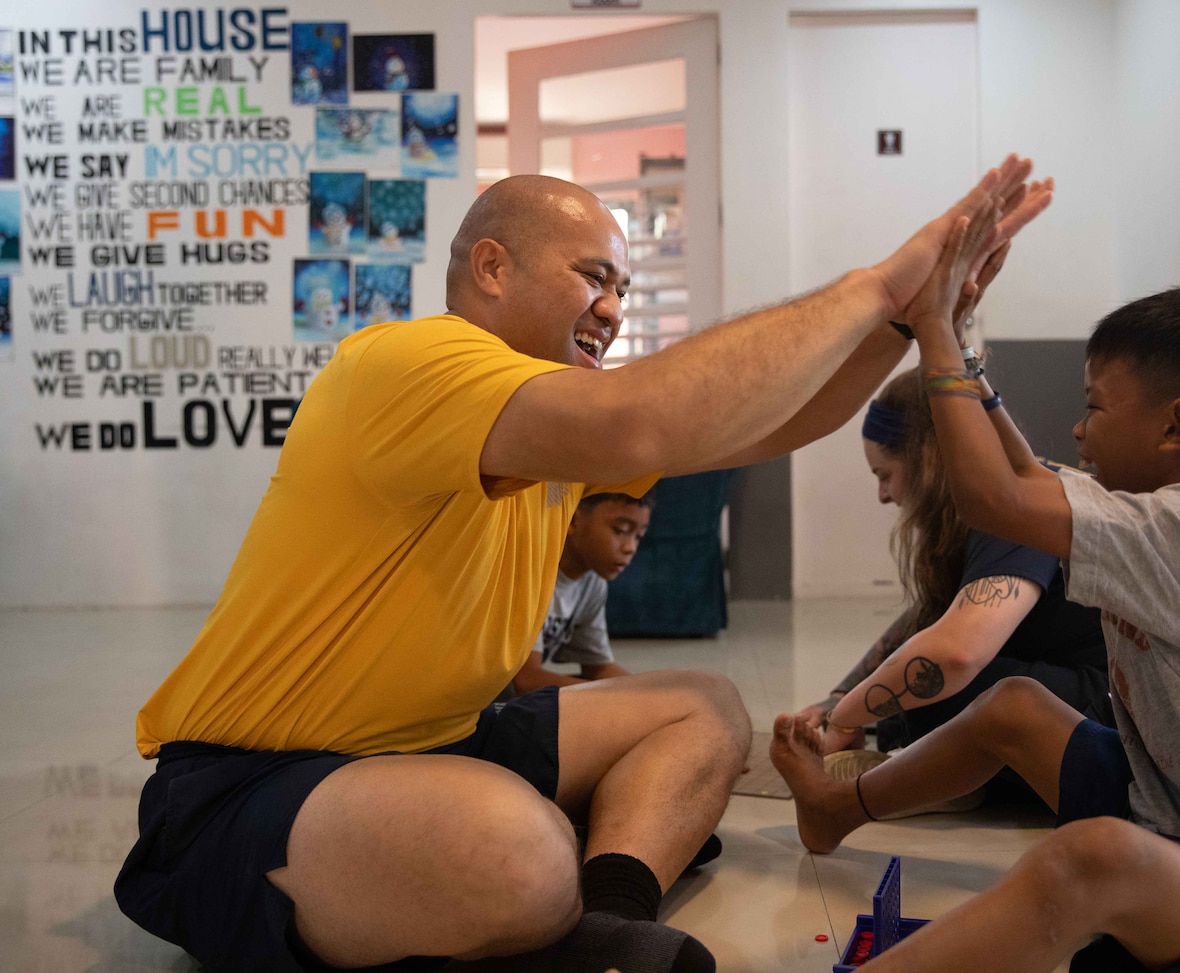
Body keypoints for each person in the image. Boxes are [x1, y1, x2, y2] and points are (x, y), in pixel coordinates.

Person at [115, 160, 1053, 973]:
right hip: (248, 783)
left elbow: (775, 424)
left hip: (439, 740)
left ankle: (602, 926)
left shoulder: (550, 422)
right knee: (513, 855)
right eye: (593, 277)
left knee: (705, 708)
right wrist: (877, 285)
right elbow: (645, 418)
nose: (612, 309)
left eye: (624, 290)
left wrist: (906, 324)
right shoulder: (412, 359)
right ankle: (528, 895)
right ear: (492, 266)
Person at [772, 216, 1180, 971]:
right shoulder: (1161, 515)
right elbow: (1029, 477)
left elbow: (997, 495)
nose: (1077, 426)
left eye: (1094, 406)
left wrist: (929, 328)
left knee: (1090, 858)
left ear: (1175, 427)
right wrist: (957, 343)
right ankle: (836, 808)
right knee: (1014, 706)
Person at [794, 366, 1108, 776]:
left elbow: (959, 653)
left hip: (1108, 711)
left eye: (885, 475)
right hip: (1080, 690)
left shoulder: (1018, 501)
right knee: (916, 672)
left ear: (926, 461)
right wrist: (839, 697)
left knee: (934, 683)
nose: (884, 495)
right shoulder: (991, 501)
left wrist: (846, 718)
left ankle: (945, 775)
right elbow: (928, 618)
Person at [513, 491, 652, 694]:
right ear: (573, 520)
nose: (631, 548)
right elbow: (525, 680)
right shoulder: (529, 570)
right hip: (482, 708)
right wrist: (622, 696)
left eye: (638, 536)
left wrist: (649, 693)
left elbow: (598, 667)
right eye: (620, 530)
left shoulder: (593, 582)